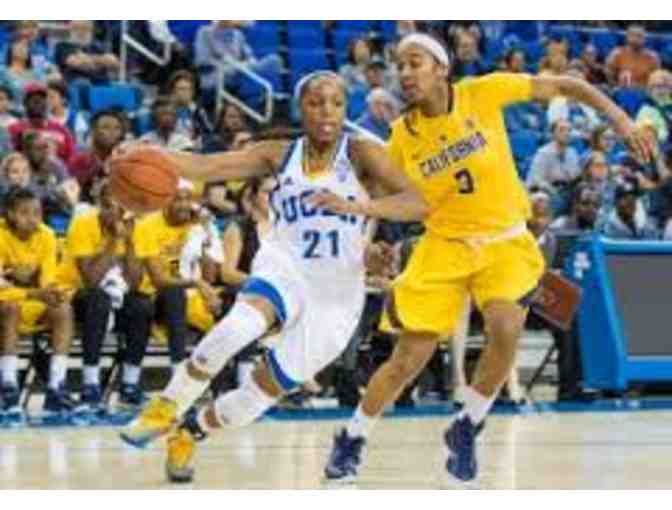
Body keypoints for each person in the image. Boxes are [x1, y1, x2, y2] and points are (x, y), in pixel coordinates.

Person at [321, 33, 652, 485]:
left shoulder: (483, 91)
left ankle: (467, 424)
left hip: (503, 241)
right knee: (407, 359)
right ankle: (352, 436)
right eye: (400, 66)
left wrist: (622, 121)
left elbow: (569, 85)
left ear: (441, 68)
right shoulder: (401, 137)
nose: (405, 73)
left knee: (506, 328)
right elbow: (383, 197)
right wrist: (366, 241)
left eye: (415, 63)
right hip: (444, 245)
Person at [118, 70, 428, 484]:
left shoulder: (362, 154)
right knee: (236, 327)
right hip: (286, 266)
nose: (327, 111)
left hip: (337, 292)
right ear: (301, 108)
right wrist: (146, 154)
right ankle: (167, 405)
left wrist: (362, 212)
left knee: (258, 396)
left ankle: (191, 431)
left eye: (336, 103)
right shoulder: (277, 153)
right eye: (316, 102)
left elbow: (418, 202)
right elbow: (207, 166)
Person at [58, 182, 153, 410]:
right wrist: (112, 241)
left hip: (117, 294)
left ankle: (129, 385)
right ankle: (90, 384)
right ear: (100, 205)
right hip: (77, 294)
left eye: (122, 205)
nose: (117, 211)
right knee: (97, 299)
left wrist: (128, 242)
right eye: (110, 205)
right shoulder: (83, 224)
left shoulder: (138, 228)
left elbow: (134, 282)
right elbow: (91, 280)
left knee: (142, 304)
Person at [0, 187, 75, 416]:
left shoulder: (47, 235)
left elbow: (47, 280)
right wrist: (34, 293)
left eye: (37, 213)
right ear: (10, 214)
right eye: (25, 213)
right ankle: (8, 386)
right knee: (10, 308)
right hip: (7, 304)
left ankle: (56, 386)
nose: (33, 219)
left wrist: (54, 292)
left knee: (63, 310)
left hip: (29, 300)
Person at [606, 23, 660, 89]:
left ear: (644, 39)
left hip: (645, 91)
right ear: (627, 37)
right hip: (621, 90)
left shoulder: (653, 57)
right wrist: (615, 86)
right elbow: (609, 72)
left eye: (639, 36)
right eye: (632, 35)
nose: (635, 39)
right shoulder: (617, 53)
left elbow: (657, 78)